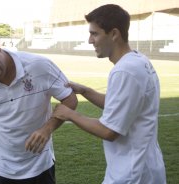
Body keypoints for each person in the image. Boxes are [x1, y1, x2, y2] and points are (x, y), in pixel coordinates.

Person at [52, 4, 166, 184]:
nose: (90, 40)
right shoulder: (138, 60)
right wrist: (85, 91)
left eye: (94, 33)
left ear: (114, 34)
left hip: (132, 173)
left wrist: (70, 114)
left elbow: (109, 131)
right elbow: (124, 106)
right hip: (145, 165)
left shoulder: (125, 71)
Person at [0, 33, 77, 184]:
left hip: (39, 164)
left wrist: (47, 129)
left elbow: (70, 98)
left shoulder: (39, 66)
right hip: (0, 167)